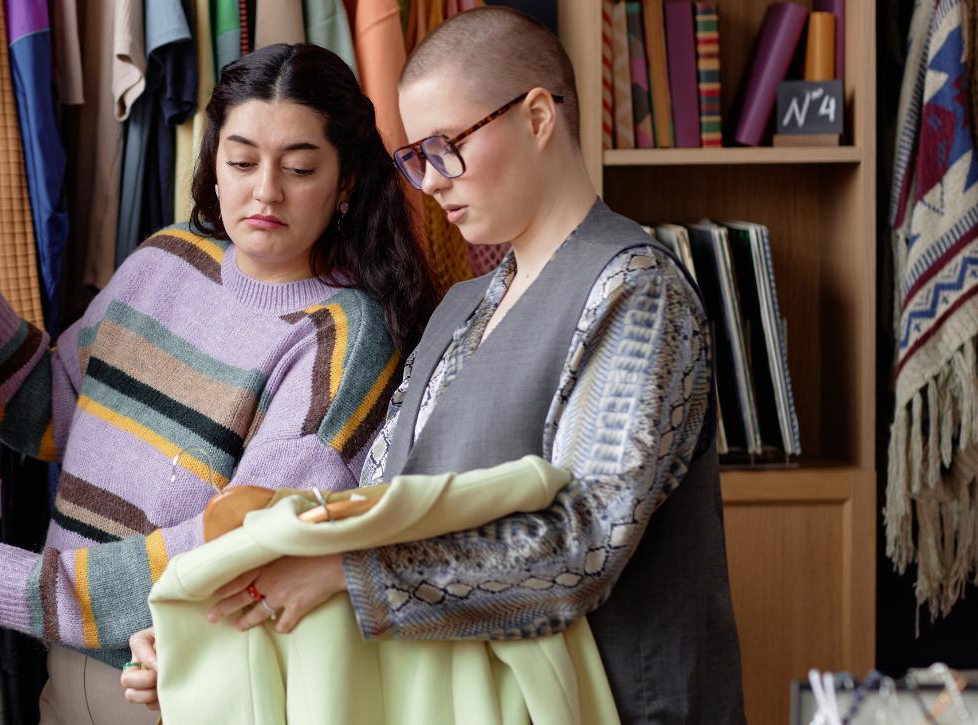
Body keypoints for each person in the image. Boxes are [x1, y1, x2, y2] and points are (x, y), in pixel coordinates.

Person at [123, 9, 746, 722]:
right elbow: (376, 510)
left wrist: (344, 577)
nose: (428, 181)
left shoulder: (636, 290)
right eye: (413, 157)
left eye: (445, 147)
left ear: (537, 115)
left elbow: (581, 548)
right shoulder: (459, 308)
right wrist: (217, 625)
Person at [0, 43, 434, 724]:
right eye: (241, 161)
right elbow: (47, 411)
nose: (265, 190)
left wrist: (21, 586)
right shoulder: (167, 258)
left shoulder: (344, 336)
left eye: (299, 168)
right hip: (69, 669)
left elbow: (240, 547)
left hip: (185, 685)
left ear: (347, 179)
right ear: (211, 160)